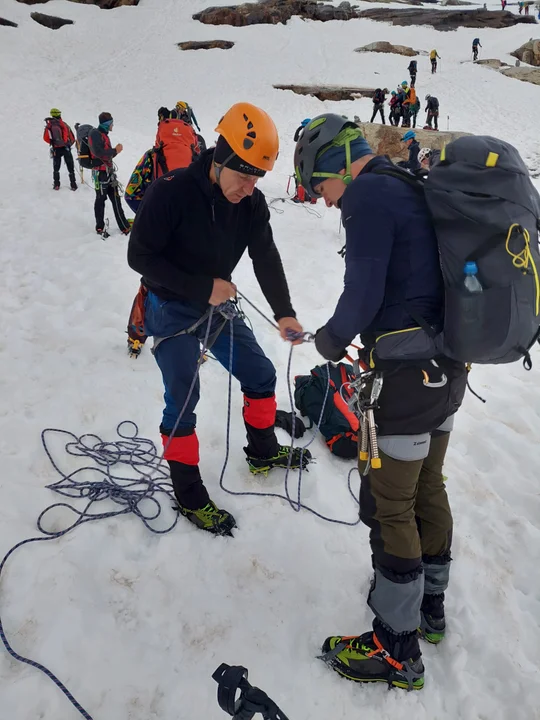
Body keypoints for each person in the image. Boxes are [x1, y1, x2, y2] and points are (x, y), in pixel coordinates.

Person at [293, 113, 466, 691]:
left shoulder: (367, 196)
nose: (321, 201)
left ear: (338, 164)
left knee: (390, 504)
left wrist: (328, 340)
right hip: (447, 369)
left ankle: (397, 649)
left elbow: (361, 293)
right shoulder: (408, 184)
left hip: (409, 378)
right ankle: (430, 610)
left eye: (319, 187)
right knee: (427, 487)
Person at [127, 102, 310, 535]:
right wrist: (201, 287)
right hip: (171, 306)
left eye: (256, 179)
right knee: (183, 397)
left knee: (261, 374)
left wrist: (283, 311)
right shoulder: (170, 191)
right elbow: (139, 256)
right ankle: (189, 495)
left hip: (215, 305)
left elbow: (265, 254)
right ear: (221, 157)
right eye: (243, 176)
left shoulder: (250, 204)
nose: (249, 188)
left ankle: (262, 451)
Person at [88, 112, 131, 236]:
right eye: (111, 123)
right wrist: (115, 151)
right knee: (101, 199)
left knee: (115, 199)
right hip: (101, 173)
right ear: (107, 124)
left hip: (108, 172)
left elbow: (104, 154)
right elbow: (99, 153)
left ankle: (124, 226)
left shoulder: (102, 135)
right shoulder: (96, 134)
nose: (113, 125)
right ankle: (100, 227)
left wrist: (114, 152)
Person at [43, 108, 77, 191]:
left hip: (56, 149)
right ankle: (73, 184)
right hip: (66, 148)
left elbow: (45, 138)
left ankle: (56, 184)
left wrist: (54, 143)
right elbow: (72, 137)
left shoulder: (49, 125)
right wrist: (68, 144)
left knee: (56, 167)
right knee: (70, 166)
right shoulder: (63, 124)